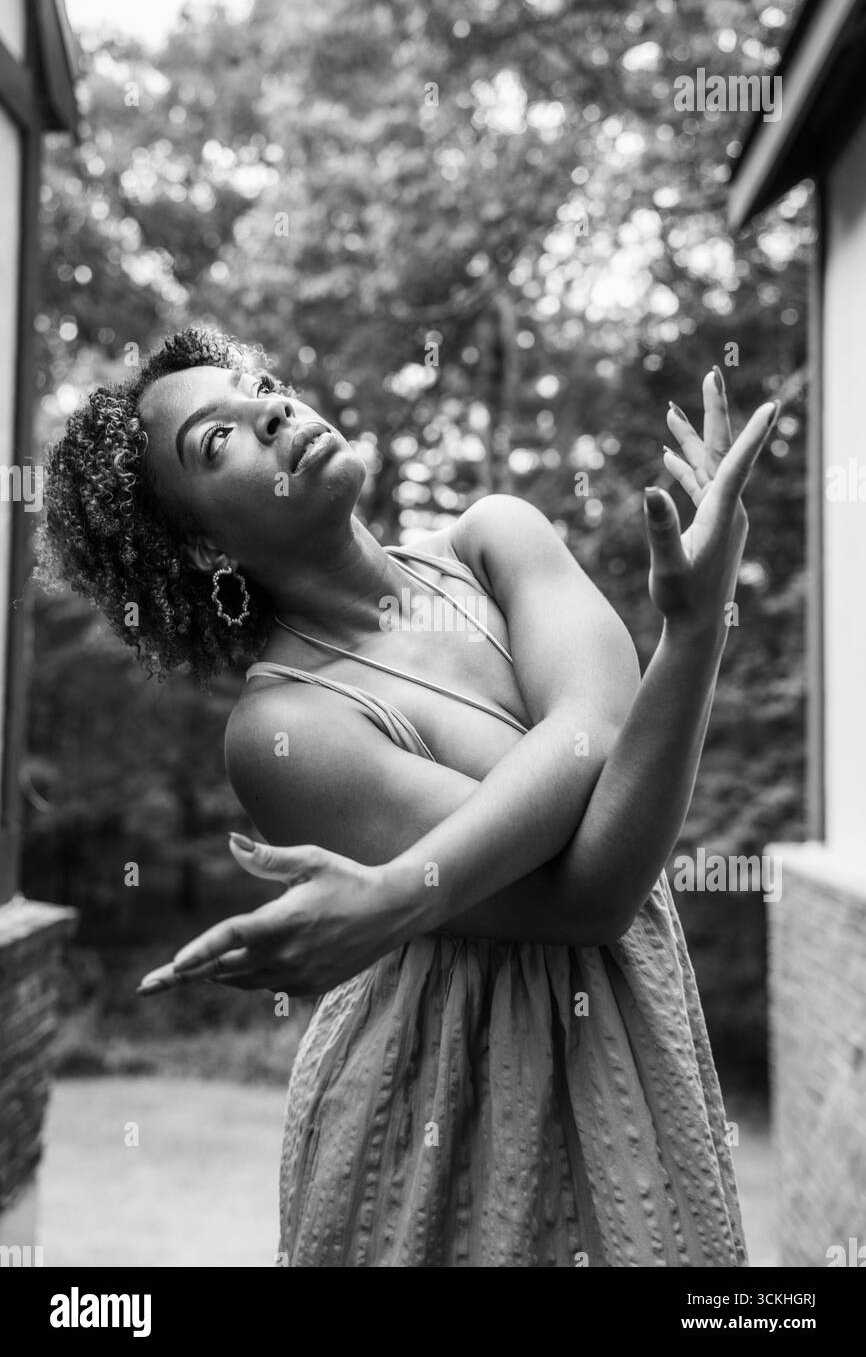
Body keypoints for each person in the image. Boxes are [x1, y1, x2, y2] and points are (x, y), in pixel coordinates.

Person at [39, 326, 778, 1267]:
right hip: (440, 1109)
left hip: (633, 1045)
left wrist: (695, 629)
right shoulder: (287, 727)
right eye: (216, 439)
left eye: (258, 384)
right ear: (200, 550)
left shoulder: (498, 539)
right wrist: (684, 642)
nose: (270, 410)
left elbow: (597, 727)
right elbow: (590, 898)